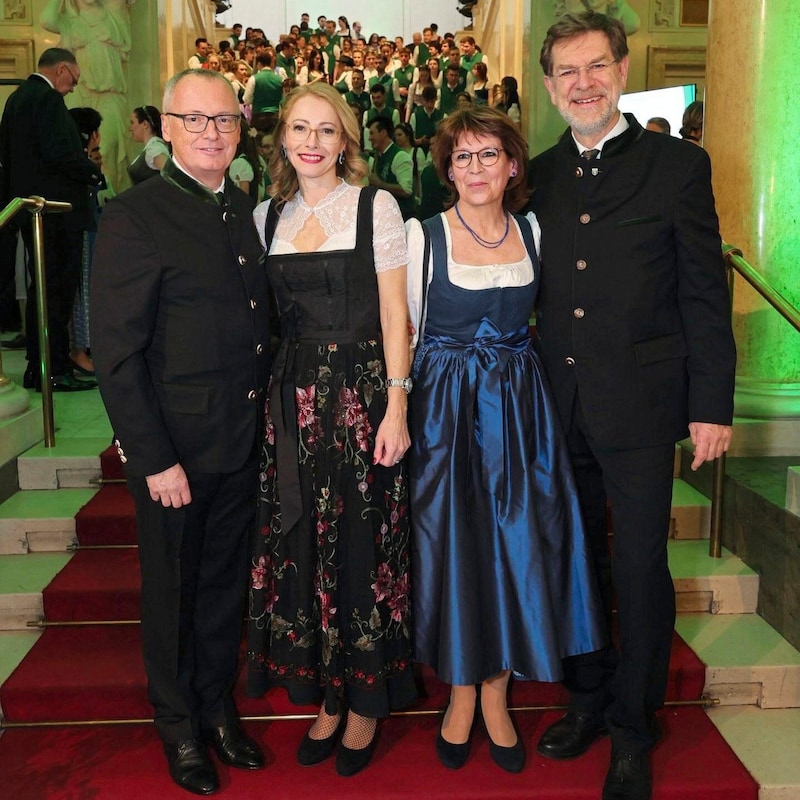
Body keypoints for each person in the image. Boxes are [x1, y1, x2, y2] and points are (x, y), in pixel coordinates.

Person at [529, 12, 735, 800]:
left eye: (595, 67)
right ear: (549, 88)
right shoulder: (536, 174)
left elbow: (701, 292)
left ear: (619, 69)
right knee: (572, 562)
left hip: (645, 406)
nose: (583, 84)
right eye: (567, 74)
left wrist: (711, 402)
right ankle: (586, 699)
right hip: (555, 403)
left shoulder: (679, 165)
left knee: (642, 568)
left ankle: (631, 726)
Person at [406, 105, 605, 774]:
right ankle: (462, 691)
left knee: (518, 549)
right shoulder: (422, 237)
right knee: (457, 549)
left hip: (520, 413)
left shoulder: (536, 232)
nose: (475, 167)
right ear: (448, 169)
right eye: (462, 157)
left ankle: (498, 692)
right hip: (445, 415)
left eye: (488, 154)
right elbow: (404, 335)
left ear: (513, 165)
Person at [91, 69, 270, 795]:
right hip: (175, 453)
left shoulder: (246, 209)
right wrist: (153, 456)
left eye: (223, 120)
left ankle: (216, 707)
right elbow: (117, 352)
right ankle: (178, 727)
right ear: (166, 127)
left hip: (240, 438)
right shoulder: (135, 215)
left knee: (226, 586)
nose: (210, 133)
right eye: (194, 120)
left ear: (240, 128)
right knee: (172, 593)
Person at [247, 81, 416, 778]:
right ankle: (324, 693)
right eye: (299, 129)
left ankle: (368, 699)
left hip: (362, 400)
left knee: (362, 546)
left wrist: (399, 407)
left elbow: (393, 314)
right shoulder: (265, 217)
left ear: (345, 139)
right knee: (304, 548)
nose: (311, 142)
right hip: (291, 403)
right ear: (282, 138)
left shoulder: (377, 206)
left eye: (325, 130)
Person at [0, 47, 102, 392]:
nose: (73, 88)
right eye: (73, 79)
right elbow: (61, 154)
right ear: (61, 70)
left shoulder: (16, 99)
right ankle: (54, 370)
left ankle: (39, 368)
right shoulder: (46, 100)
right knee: (56, 295)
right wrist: (92, 173)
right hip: (56, 215)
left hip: (31, 212)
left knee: (41, 291)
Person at [127, 105, 169, 184]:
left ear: (145, 124)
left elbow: (171, 172)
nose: (130, 128)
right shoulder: (151, 148)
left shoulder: (155, 148)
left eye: (132, 122)